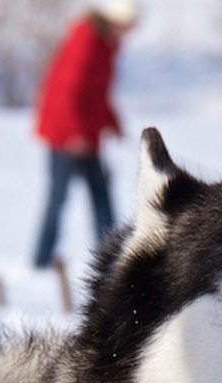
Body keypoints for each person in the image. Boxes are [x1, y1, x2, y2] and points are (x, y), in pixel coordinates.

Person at [32, 0, 138, 270]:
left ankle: (113, 256)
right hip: (66, 135)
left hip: (88, 135)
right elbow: (68, 93)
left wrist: (113, 123)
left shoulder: (105, 45)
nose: (128, 32)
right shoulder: (87, 41)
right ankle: (41, 259)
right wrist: (75, 134)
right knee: (58, 197)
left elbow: (97, 94)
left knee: (100, 193)